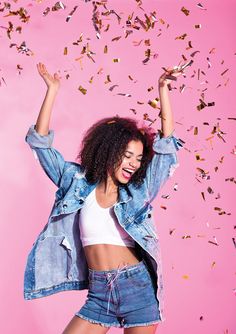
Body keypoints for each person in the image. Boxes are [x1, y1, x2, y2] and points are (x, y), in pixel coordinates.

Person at [24, 62, 184, 334]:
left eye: (138, 158)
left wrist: (163, 90)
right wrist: (52, 91)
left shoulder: (138, 191)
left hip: (138, 291)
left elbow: (167, 150)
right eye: (127, 155)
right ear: (109, 151)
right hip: (99, 296)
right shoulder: (76, 182)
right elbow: (40, 143)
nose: (134, 163)